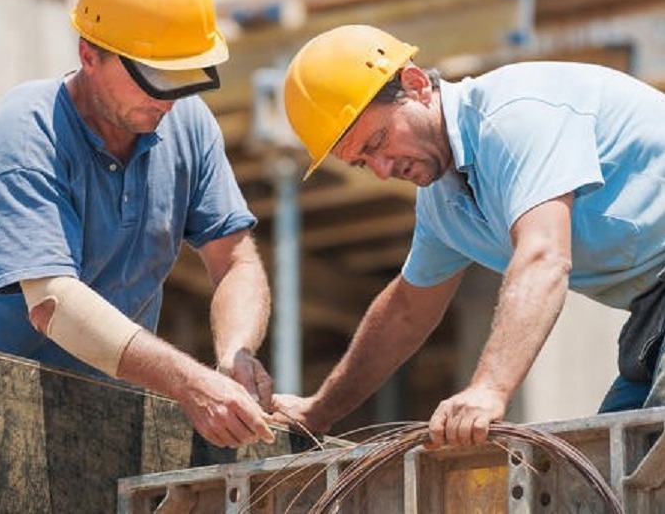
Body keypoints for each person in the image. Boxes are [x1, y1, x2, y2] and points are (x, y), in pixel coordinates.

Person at [271, 23, 665, 449]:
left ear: (416, 84)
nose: (383, 170)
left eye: (380, 141)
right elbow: (407, 311)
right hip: (652, 316)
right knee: (612, 474)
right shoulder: (444, 205)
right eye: (364, 162)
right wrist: (320, 411)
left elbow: (543, 257)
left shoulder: (514, 115)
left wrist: (489, 389)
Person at [0, 0, 275, 449]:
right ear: (89, 55)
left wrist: (234, 357)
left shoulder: (188, 124)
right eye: (154, 78)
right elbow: (52, 303)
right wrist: (190, 382)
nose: (168, 99)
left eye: (183, 78)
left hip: (110, 416)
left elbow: (236, 260)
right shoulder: (26, 132)